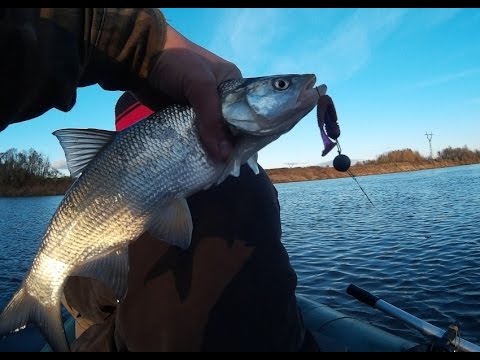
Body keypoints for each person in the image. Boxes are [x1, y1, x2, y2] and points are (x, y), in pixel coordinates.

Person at [1, 8, 335, 351]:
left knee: (91, 308)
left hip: (109, 271)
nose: (292, 85)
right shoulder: (256, 184)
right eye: (280, 85)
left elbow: (92, 302)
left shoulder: (200, 160)